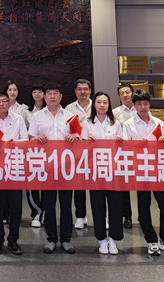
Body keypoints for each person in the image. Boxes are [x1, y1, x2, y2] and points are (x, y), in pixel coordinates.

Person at [122, 90, 164, 256]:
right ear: (134, 105)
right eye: (139, 104)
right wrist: (135, 144)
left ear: (149, 104)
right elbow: (124, 148)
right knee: (143, 206)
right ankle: (151, 240)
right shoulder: (129, 124)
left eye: (145, 103)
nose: (143, 107)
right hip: (141, 171)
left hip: (159, 170)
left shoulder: (158, 123)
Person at [28, 81, 80, 255]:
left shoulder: (70, 116)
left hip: (66, 167)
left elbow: (80, 138)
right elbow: (30, 139)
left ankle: (66, 239)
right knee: (49, 204)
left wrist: (73, 137)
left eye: (55, 93)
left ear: (61, 96)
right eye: (49, 93)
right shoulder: (37, 117)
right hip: (47, 167)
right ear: (44, 96)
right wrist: (37, 138)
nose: (52, 96)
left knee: (66, 204)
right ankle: (51, 239)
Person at [0, 91, 28, 256]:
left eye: (4, 101)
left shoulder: (18, 119)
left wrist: (14, 143)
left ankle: (13, 240)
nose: (1, 104)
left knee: (16, 206)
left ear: (9, 103)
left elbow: (25, 140)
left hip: (15, 168)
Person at [83, 91, 124, 255]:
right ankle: (101, 239)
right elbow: (81, 148)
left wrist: (120, 141)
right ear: (94, 104)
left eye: (105, 102)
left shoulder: (116, 123)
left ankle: (113, 239)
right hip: (95, 171)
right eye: (99, 102)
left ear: (109, 105)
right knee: (97, 205)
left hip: (114, 171)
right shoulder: (87, 123)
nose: (102, 105)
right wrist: (87, 142)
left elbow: (124, 147)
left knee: (115, 205)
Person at [65, 78, 93, 229]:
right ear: (75, 91)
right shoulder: (69, 108)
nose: (83, 92)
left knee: (98, 186)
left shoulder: (97, 105)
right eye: (79, 89)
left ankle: (102, 216)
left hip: (95, 151)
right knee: (79, 185)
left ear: (90, 91)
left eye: (85, 89)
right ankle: (80, 216)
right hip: (76, 152)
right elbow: (66, 129)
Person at [113, 83, 137, 229]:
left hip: (140, 154)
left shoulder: (141, 108)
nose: (125, 95)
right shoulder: (115, 113)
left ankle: (143, 216)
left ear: (132, 93)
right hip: (122, 154)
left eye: (127, 92)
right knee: (124, 187)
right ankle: (126, 216)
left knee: (141, 186)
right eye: (122, 93)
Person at [26, 84, 46, 228]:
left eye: (40, 91)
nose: (37, 94)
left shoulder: (49, 111)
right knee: (32, 184)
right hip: (31, 152)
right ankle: (36, 212)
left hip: (49, 154)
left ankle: (44, 213)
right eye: (34, 91)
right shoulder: (27, 112)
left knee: (46, 184)